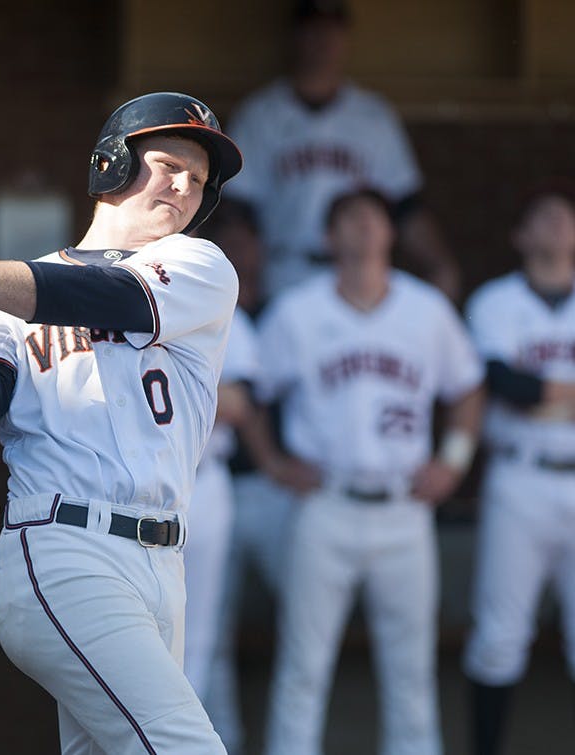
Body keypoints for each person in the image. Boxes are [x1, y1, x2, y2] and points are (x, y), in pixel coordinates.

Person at [0, 92, 243, 753]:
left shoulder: (200, 266)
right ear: (111, 164)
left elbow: (103, 294)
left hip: (163, 560)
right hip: (64, 546)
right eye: (168, 163)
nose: (183, 186)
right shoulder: (6, 293)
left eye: (198, 179)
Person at [245, 187, 483, 755]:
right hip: (326, 503)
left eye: (373, 215)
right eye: (348, 216)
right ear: (328, 238)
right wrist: (273, 462)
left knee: (411, 673)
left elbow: (468, 387)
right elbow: (249, 390)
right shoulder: (299, 311)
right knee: (304, 667)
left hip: (404, 505)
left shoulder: (426, 309)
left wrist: (452, 463)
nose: (363, 225)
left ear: (391, 232)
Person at [222, 0, 460, 300]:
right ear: (295, 36)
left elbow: (405, 205)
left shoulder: (373, 115)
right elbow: (239, 213)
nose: (323, 41)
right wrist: (241, 277)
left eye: (331, 31)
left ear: (345, 38)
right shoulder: (260, 113)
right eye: (313, 30)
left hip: (358, 271)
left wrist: (439, 263)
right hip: (285, 269)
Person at [462, 183, 575, 755]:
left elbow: (531, 388)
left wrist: (542, 392)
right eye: (544, 216)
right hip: (519, 476)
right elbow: (508, 385)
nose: (558, 224)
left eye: (566, 216)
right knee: (499, 637)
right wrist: (545, 394)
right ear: (520, 236)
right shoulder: (495, 301)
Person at [181, 268, 258, 744]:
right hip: (123, 494)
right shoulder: (111, 300)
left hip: (202, 484)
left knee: (198, 640)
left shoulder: (219, 307)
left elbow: (239, 403)